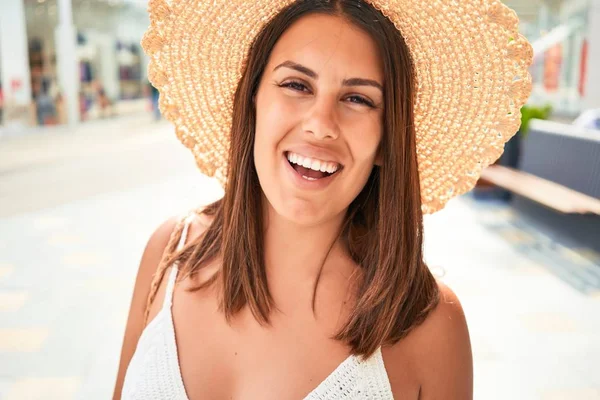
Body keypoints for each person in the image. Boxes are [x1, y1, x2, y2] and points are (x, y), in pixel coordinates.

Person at [113, 0, 532, 398]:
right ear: (252, 101)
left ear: (388, 140)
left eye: (358, 99)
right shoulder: (169, 253)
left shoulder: (430, 325)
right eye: (296, 84)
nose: (320, 125)